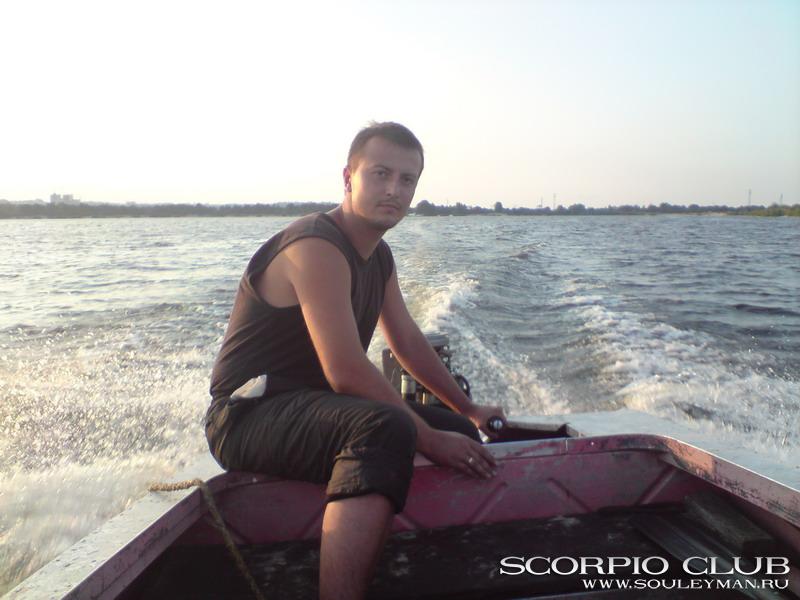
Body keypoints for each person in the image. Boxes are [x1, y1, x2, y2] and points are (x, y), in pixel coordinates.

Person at [205, 121, 507, 600]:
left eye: (407, 180)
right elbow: (345, 370)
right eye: (380, 174)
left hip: (313, 407)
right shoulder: (315, 245)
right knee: (390, 428)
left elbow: (406, 341)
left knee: (461, 437)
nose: (394, 190)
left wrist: (466, 411)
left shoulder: (379, 257)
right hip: (247, 415)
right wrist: (428, 437)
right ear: (349, 177)